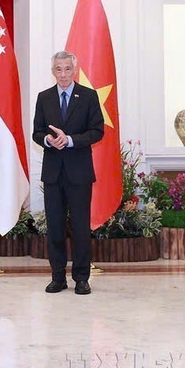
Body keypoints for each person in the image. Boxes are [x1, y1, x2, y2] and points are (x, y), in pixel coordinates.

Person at [32, 51, 104, 295]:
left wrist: (71, 140)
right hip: (53, 173)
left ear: (75, 70)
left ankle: (82, 278)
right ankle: (57, 277)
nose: (63, 74)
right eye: (58, 69)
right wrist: (49, 140)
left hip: (79, 172)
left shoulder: (88, 96)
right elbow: (37, 132)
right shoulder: (44, 97)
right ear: (52, 71)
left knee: (81, 227)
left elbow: (97, 131)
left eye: (67, 69)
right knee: (55, 227)